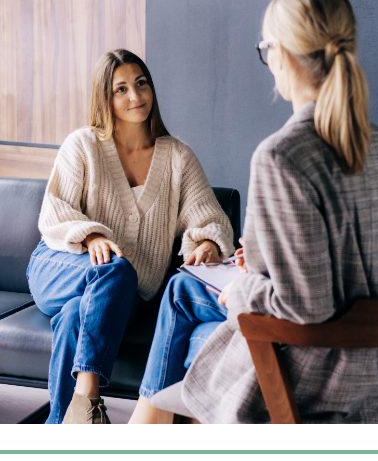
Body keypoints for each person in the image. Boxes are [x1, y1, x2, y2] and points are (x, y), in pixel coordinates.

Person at [130, 0, 378, 429]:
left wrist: (244, 288)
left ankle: (143, 418)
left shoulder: (283, 155)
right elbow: (367, 267)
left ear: (281, 55)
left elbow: (307, 306)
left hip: (313, 372)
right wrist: (263, 263)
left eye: (266, 49)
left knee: (189, 311)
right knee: (184, 287)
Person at [26, 49, 234, 431]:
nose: (135, 96)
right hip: (61, 266)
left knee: (78, 314)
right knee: (116, 271)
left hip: (129, 293)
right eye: (120, 88)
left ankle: (62, 426)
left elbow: (208, 217)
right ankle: (90, 401)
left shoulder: (178, 157)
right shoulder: (83, 145)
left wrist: (206, 243)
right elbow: (54, 213)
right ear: (105, 98)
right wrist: (90, 237)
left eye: (141, 83)